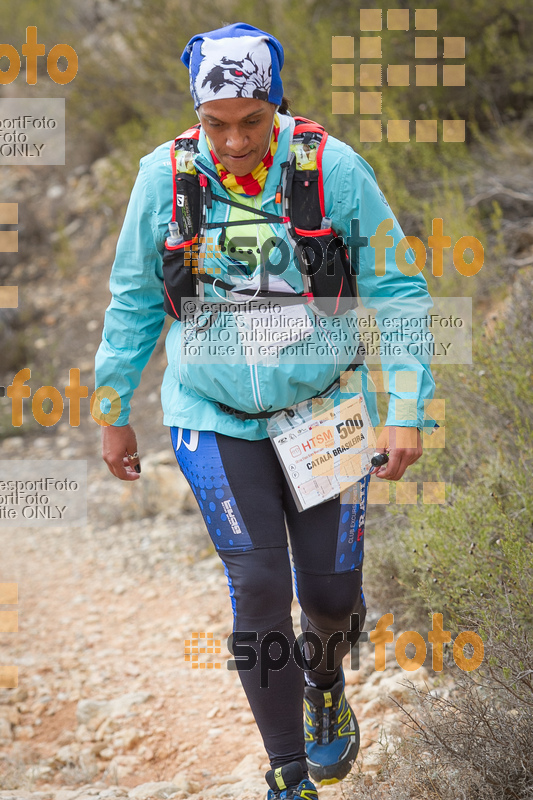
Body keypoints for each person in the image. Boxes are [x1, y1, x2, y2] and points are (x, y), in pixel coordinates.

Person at [95, 22, 435, 800]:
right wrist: (113, 406)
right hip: (210, 412)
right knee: (256, 585)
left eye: (252, 122)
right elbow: (134, 299)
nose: (235, 142)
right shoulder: (165, 176)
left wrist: (407, 407)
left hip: (323, 409)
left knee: (328, 596)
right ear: (197, 116)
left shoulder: (331, 168)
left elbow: (401, 291)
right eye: (216, 125)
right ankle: (287, 773)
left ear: (275, 106)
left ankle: (324, 687)